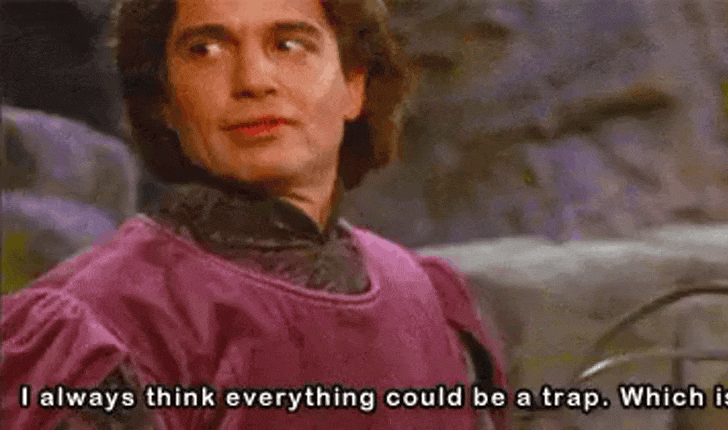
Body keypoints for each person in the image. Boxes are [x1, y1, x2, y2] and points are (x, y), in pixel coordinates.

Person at [0, 0, 508, 428]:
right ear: (163, 101)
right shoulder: (96, 331)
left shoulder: (427, 298)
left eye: (289, 44)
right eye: (207, 49)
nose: (253, 80)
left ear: (354, 85)